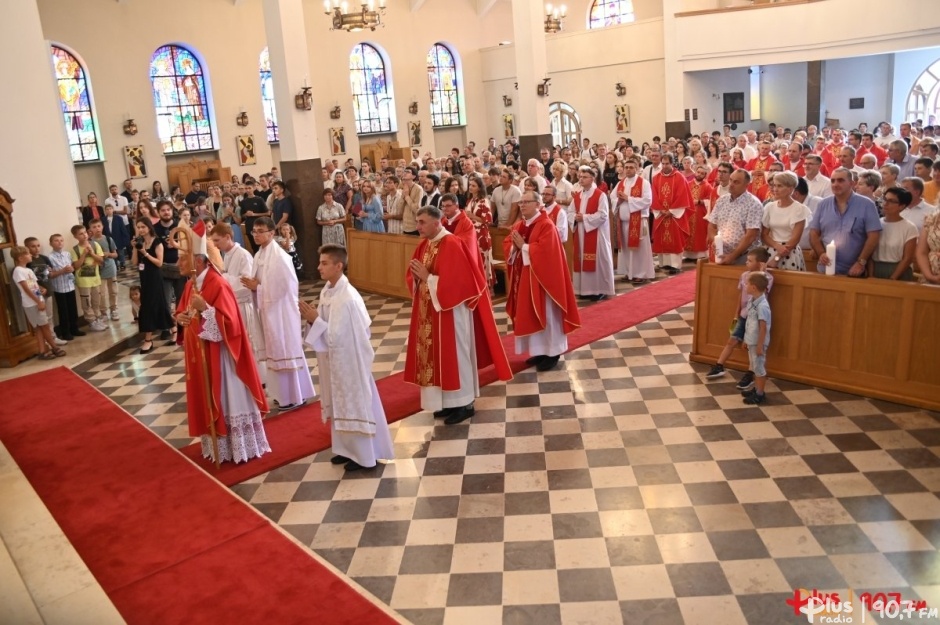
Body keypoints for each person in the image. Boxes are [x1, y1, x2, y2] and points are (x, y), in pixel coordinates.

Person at [404, 206, 512, 425]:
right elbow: (414, 276)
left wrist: (428, 278)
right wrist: (417, 278)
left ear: (437, 223)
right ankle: (445, 402)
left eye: (422, 222)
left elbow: (458, 284)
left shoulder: (451, 243)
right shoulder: (425, 244)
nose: (418, 227)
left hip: (451, 314)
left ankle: (464, 403)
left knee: (455, 356)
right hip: (430, 313)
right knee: (435, 357)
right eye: (417, 222)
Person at [175, 221, 271, 465]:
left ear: (198, 261)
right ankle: (218, 445)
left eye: (182, 259)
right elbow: (182, 314)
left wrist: (205, 309)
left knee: (227, 398)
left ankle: (237, 447)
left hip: (223, 359)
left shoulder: (218, 284)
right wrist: (183, 317)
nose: (178, 264)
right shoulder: (191, 284)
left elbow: (231, 326)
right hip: (202, 353)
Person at [300, 245, 394, 472]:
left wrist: (316, 320)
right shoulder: (328, 290)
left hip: (350, 363)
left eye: (324, 263)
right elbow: (327, 328)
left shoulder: (347, 298)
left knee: (353, 404)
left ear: (338, 266)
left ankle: (364, 456)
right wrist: (313, 319)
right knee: (340, 403)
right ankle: (345, 449)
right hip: (335, 362)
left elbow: (339, 337)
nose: (318, 267)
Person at [242, 216, 316, 411]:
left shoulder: (280, 256)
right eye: (254, 232)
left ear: (271, 232)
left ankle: (295, 396)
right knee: (274, 353)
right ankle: (281, 394)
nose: (256, 235)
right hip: (268, 311)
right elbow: (258, 281)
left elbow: (287, 287)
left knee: (285, 351)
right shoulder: (259, 254)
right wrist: (254, 287)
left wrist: (258, 287)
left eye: (260, 231)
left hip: (281, 312)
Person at [504, 190, 580, 372]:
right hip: (525, 279)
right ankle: (539, 351)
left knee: (548, 315)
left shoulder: (546, 225)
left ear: (537, 204)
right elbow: (508, 244)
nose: (522, 205)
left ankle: (553, 352)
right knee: (530, 314)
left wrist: (524, 247)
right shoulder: (520, 225)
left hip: (544, 281)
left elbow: (547, 252)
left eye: (526, 202)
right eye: (520, 202)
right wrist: (515, 248)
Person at [705, 248, 773, 391]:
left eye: (750, 260)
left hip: (755, 319)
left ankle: (750, 374)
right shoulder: (744, 276)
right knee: (732, 340)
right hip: (743, 316)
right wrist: (736, 313)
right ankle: (719, 365)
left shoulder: (767, 277)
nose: (746, 263)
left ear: (760, 263)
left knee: (751, 346)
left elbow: (764, 290)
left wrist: (762, 271)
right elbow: (741, 295)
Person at [210, 223, 267, 380]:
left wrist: (222, 278)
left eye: (217, 240)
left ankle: (259, 378)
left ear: (228, 237)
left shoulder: (242, 255)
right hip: (234, 304)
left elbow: (247, 282)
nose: (215, 245)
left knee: (251, 342)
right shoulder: (227, 254)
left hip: (244, 304)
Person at [808, 168, 882, 276]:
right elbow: (814, 232)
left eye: (840, 180)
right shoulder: (823, 204)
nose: (835, 184)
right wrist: (821, 253)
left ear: (852, 183)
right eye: (833, 181)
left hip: (854, 270)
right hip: (826, 267)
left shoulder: (866, 204)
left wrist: (861, 262)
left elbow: (874, 236)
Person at [568, 166, 616, 300]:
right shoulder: (577, 196)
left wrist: (585, 218)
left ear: (592, 178)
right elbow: (570, 212)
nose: (581, 179)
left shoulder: (600, 195)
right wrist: (575, 218)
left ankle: (599, 289)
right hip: (581, 233)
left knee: (598, 261)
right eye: (580, 177)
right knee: (581, 259)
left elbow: (603, 215)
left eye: (584, 177)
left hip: (597, 234)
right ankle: (583, 289)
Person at [12, 246, 65, 360]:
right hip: (32, 303)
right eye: (27, 254)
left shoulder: (28, 270)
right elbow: (26, 288)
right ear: (21, 258)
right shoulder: (18, 271)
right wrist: (38, 301)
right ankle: (54, 347)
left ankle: (42, 350)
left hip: (37, 300)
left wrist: (41, 288)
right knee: (44, 326)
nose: (30, 255)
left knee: (40, 327)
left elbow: (32, 284)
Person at [132, 218, 175, 353]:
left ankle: (148, 340)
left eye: (143, 227)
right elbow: (134, 262)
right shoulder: (140, 243)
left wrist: (145, 253)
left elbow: (159, 263)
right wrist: (135, 248)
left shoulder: (157, 242)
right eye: (138, 227)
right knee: (157, 306)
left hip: (155, 277)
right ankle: (174, 329)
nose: (141, 229)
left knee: (149, 307)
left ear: (149, 227)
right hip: (144, 277)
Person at [613, 159, 654, 284]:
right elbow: (612, 198)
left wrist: (628, 199)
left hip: (638, 221)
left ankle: (640, 273)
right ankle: (628, 272)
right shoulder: (620, 183)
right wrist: (618, 201)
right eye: (626, 167)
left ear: (636, 168)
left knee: (639, 249)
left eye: (631, 167)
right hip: (623, 221)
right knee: (626, 248)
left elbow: (648, 200)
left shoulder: (644, 183)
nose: (628, 169)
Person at [651, 154, 693, 274]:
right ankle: (664, 263)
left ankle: (675, 265)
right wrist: (660, 209)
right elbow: (654, 195)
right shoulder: (656, 178)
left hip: (674, 215)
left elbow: (682, 196)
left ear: (672, 164)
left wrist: (672, 211)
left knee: (675, 238)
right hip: (661, 214)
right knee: (661, 238)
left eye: (667, 164)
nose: (664, 166)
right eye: (662, 164)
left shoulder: (679, 177)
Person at [761, 171, 811, 271]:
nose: (775, 189)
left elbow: (795, 239)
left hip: (789, 253)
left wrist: (777, 258)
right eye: (774, 185)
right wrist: (776, 246)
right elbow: (764, 235)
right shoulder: (769, 207)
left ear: (790, 189)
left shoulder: (799, 209)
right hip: (771, 250)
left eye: (779, 186)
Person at [871, 187, 918, 281]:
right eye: (885, 199)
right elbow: (870, 252)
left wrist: (893, 277)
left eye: (891, 201)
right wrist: (871, 275)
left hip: (898, 270)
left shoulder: (909, 227)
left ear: (901, 206)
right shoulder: (876, 223)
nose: (885, 203)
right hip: (875, 268)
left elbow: (908, 258)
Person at [741, 272, 772, 405]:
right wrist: (746, 339)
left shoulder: (763, 306)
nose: (744, 285)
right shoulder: (752, 300)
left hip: (758, 342)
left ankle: (760, 394)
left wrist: (760, 346)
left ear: (753, 287)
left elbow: (763, 327)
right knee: (754, 365)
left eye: (747, 283)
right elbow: (750, 322)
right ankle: (756, 389)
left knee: (759, 368)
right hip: (751, 340)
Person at [69, 224, 107, 332]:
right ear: (76, 236)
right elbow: (76, 266)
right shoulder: (74, 250)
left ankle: (97, 318)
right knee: (86, 301)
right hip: (83, 280)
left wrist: (92, 253)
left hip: (95, 278)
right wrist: (84, 254)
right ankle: (91, 321)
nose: (84, 235)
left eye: (85, 232)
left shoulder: (94, 245)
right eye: (80, 234)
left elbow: (101, 260)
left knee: (96, 300)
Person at [47, 233, 83, 341]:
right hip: (59, 287)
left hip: (70, 285)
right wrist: (62, 271)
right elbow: (51, 274)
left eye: (61, 240)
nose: (59, 242)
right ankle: (65, 332)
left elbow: (72, 266)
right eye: (56, 241)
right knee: (63, 311)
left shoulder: (67, 254)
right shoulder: (50, 257)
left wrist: (72, 269)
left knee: (73, 309)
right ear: (51, 243)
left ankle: (74, 328)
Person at [88, 219, 120, 320]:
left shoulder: (108, 239)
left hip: (111, 268)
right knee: (101, 293)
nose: (97, 228)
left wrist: (108, 254)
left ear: (102, 227)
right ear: (90, 230)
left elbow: (115, 254)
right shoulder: (90, 242)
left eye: (98, 226)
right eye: (94, 227)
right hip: (99, 271)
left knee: (113, 291)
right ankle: (103, 312)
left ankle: (113, 309)